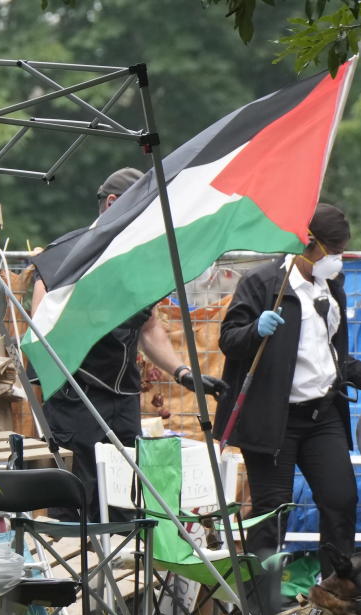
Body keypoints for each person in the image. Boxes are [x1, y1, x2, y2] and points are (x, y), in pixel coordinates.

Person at [31, 167, 227, 521]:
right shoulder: (65, 255)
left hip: (123, 402)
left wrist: (183, 373)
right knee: (79, 502)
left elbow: (148, 327)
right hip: (76, 396)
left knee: (126, 500)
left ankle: (120, 573)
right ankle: (79, 573)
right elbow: (42, 327)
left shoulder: (139, 263)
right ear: (112, 204)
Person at [215, 203, 361, 577]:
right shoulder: (263, 284)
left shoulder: (332, 285)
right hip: (274, 421)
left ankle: (335, 600)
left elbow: (333, 353)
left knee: (341, 500)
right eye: (334, 250)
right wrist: (254, 328)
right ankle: (262, 611)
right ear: (309, 243)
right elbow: (229, 340)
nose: (338, 259)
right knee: (272, 513)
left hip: (322, 416)